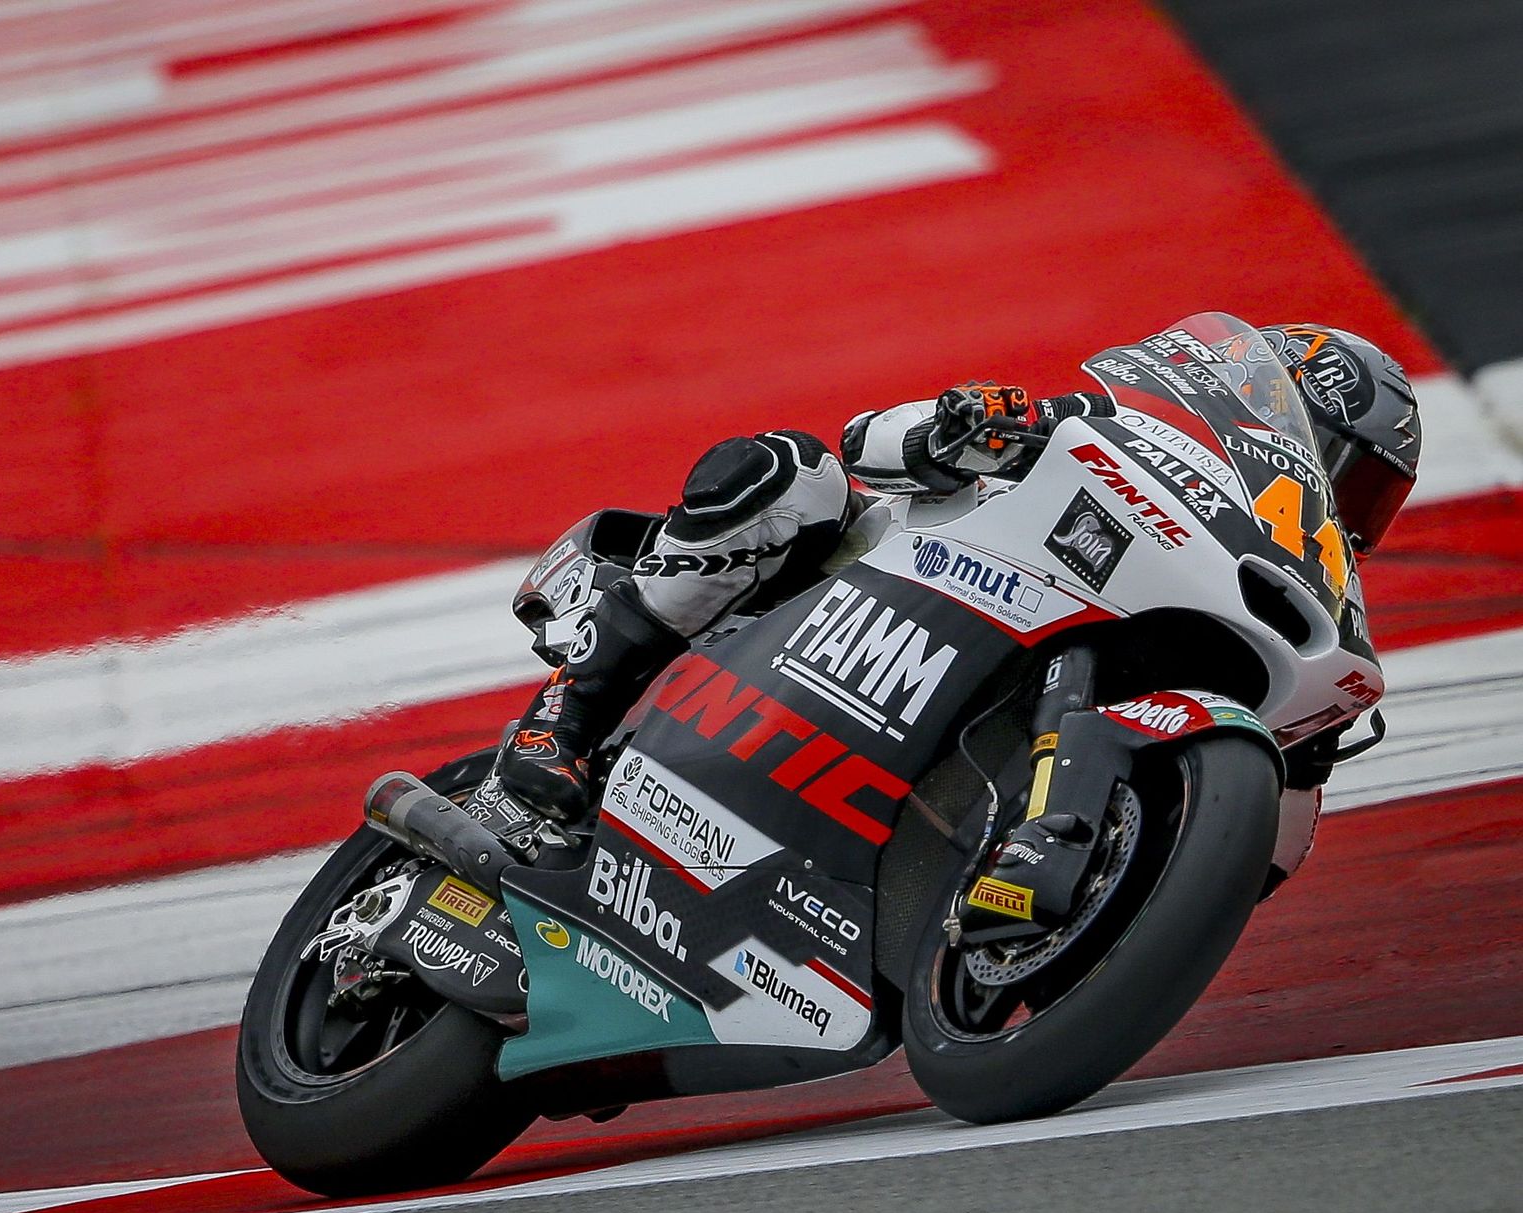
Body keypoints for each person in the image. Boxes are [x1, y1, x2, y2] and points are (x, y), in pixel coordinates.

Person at [495, 324, 1422, 837]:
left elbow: (1268, 860)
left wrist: (1296, 754)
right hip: (857, 588)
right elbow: (869, 439)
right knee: (795, 472)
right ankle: (561, 719)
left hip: (912, 762)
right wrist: (964, 424)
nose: (1344, 501)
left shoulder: (1290, 605)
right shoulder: (1103, 427)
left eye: (1370, 495)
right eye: (1345, 464)